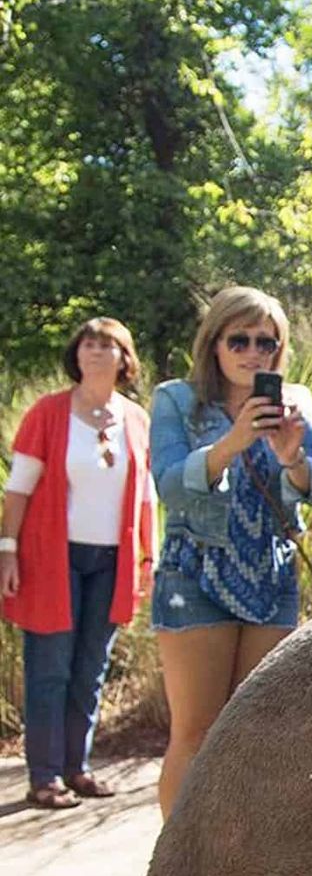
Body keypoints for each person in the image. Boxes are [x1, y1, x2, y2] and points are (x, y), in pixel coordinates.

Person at [150, 286, 312, 818]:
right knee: (196, 732)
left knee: (254, 733)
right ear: (214, 343)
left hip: (270, 576)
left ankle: (235, 870)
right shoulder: (176, 400)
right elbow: (170, 488)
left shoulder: (296, 402)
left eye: (267, 343)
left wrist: (291, 455)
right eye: (240, 340)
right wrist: (231, 442)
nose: (254, 352)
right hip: (195, 574)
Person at [0, 318, 156, 809]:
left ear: (124, 359)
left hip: (113, 560)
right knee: (50, 669)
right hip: (53, 558)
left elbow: (146, 496)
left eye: (107, 344)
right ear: (77, 354)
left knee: (90, 668)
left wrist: (149, 556)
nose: (95, 350)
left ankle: (77, 767)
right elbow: (19, 487)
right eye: (88, 343)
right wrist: (7, 549)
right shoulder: (48, 413)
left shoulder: (135, 418)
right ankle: (44, 776)